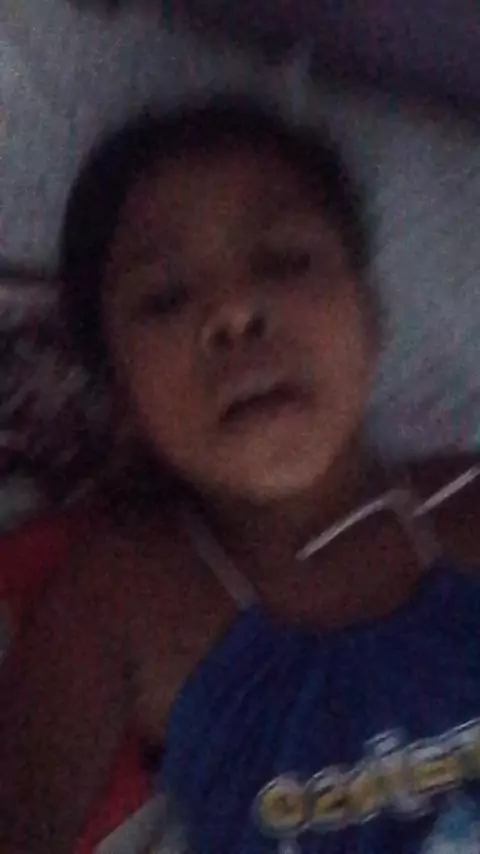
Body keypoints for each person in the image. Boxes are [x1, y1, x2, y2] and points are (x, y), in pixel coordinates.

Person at [2, 95, 480, 854]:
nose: (234, 312)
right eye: (165, 298)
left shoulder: (467, 509)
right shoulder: (123, 597)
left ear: (371, 318)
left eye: (285, 261)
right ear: (121, 400)